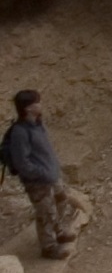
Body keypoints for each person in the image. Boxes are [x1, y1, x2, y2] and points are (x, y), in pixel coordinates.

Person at [2, 90, 85, 259]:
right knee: (45, 212)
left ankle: (59, 232)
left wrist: (52, 170)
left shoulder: (37, 124)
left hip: (51, 175)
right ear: (29, 108)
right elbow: (22, 163)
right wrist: (41, 173)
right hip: (38, 181)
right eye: (37, 102)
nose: (41, 104)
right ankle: (48, 247)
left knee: (61, 201)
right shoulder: (20, 132)